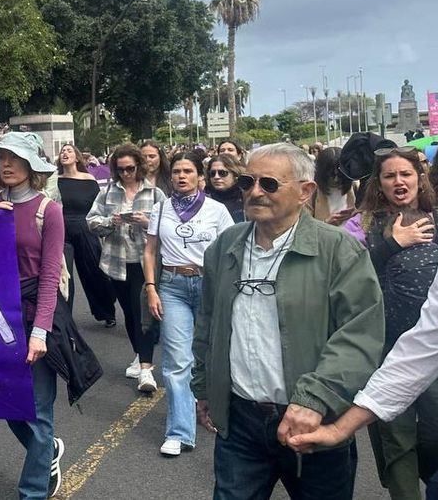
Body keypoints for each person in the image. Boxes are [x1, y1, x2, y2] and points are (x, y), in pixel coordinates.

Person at [193, 143, 384, 500]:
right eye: (247, 181)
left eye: (268, 184)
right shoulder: (225, 246)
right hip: (241, 421)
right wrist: (204, 386)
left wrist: (314, 399)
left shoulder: (337, 250)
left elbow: (360, 335)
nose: (254, 192)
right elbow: (208, 322)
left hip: (313, 422)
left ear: (305, 192)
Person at [288, 254, 438, 493]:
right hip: (388, 344)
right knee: (400, 444)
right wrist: (340, 429)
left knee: (435, 437)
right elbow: (424, 348)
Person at [344, 147, 438, 499]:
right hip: (383, 348)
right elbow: (347, 280)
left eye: (405, 174)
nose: (398, 181)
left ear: (420, 178)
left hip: (434, 349)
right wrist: (391, 245)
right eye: (390, 176)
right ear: (379, 183)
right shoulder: (360, 225)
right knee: (396, 439)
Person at [0, 132, 66, 499]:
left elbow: (49, 275)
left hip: (33, 317)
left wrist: (40, 331)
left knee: (39, 409)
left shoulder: (49, 210)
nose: (6, 164)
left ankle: (32, 492)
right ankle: (46, 449)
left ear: (33, 166)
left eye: (15, 157)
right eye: (2, 157)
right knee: (7, 402)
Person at [143, 152, 235, 457]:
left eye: (188, 171)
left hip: (210, 285)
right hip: (172, 287)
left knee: (213, 353)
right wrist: (152, 288)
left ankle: (217, 412)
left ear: (200, 177)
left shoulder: (217, 210)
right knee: (176, 361)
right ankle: (179, 432)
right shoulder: (160, 209)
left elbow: (232, 250)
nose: (181, 176)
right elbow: (150, 251)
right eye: (177, 171)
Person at [87, 144, 166, 392]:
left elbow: (168, 227)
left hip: (145, 263)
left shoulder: (155, 193)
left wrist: (147, 222)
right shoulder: (108, 192)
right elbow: (91, 221)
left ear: (139, 166)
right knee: (130, 315)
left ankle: (146, 369)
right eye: (120, 169)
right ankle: (140, 354)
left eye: (130, 168)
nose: (125, 174)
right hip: (116, 262)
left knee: (142, 313)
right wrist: (111, 221)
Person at [56, 143, 117, 327]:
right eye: (62, 151)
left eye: (69, 151)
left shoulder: (89, 179)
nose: (65, 153)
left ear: (77, 157)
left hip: (85, 228)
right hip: (61, 229)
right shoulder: (54, 180)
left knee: (93, 271)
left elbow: (98, 207)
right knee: (63, 275)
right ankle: (64, 318)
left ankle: (106, 311)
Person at [309, 146, 357, 225]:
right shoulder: (311, 192)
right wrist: (326, 224)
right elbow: (305, 227)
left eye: (340, 175)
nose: (336, 179)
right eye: (331, 175)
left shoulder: (354, 187)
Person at [205, 154, 246, 222]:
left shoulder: (246, 197)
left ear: (235, 174)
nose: (216, 177)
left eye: (222, 173)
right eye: (212, 173)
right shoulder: (203, 199)